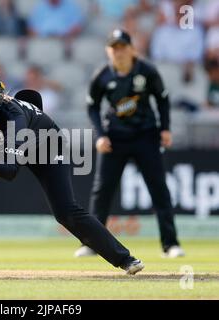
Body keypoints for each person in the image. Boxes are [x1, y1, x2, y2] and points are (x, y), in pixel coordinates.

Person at [0, 64, 144, 275]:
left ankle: (125, 259)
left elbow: (10, 170)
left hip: (47, 144)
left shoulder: (12, 114)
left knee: (66, 212)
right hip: (3, 147)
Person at [74, 29, 185, 259]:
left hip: (146, 136)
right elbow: (92, 106)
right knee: (102, 191)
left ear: (132, 49)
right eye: (114, 48)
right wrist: (101, 135)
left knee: (159, 190)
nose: (119, 52)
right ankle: (92, 244)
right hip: (114, 139)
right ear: (108, 51)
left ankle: (170, 244)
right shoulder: (102, 76)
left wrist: (165, 128)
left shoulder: (147, 71)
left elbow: (162, 99)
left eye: (123, 47)